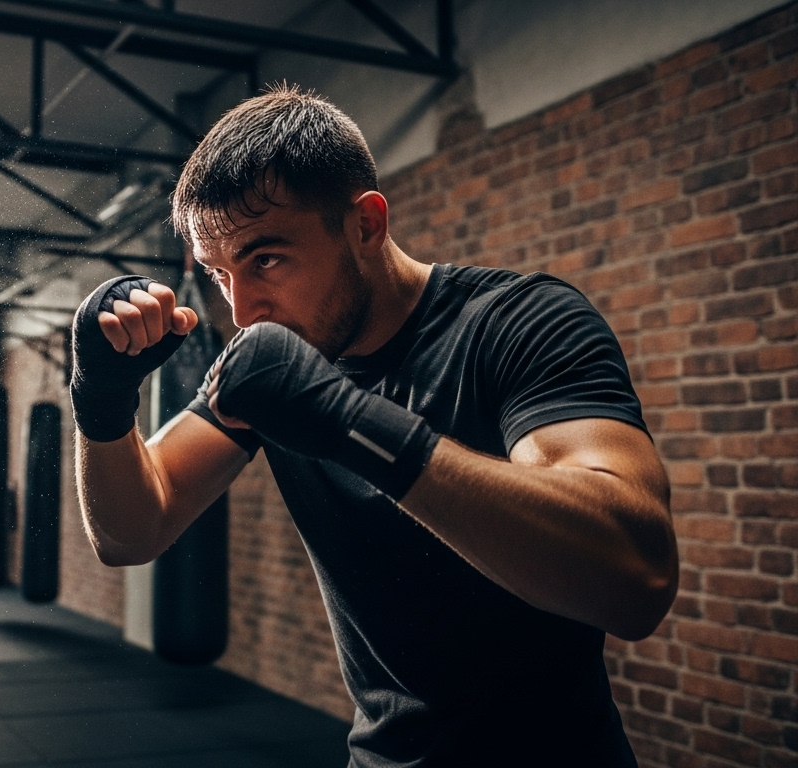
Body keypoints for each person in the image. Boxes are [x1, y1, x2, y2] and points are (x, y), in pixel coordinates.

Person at [69, 86, 678, 767]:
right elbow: (131, 530)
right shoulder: (284, 354)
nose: (243, 310)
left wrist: (348, 421)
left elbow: (637, 579)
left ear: (365, 224)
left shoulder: (520, 324)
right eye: (219, 275)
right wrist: (101, 398)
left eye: (266, 260)